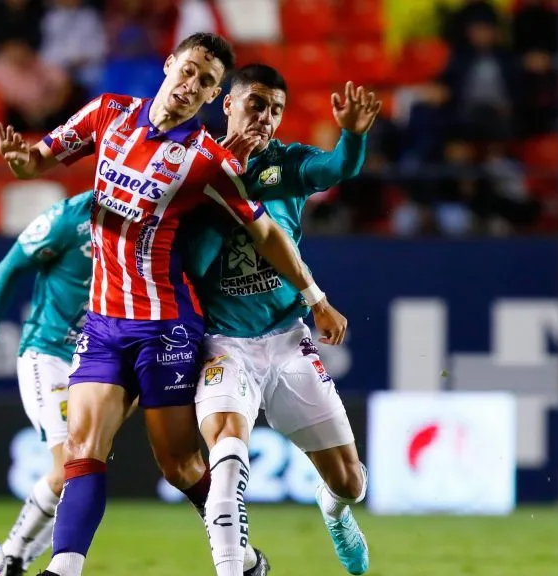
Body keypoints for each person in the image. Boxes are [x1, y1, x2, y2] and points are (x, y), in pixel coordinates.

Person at [0, 32, 347, 576]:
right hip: (104, 322)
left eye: (206, 82)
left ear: (212, 97)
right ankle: (62, 569)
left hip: (166, 328)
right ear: (169, 65)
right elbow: (36, 161)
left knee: (180, 466)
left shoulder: (208, 161)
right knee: (82, 449)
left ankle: (240, 555)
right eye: (189, 71)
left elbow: (267, 235)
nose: (192, 85)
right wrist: (22, 162)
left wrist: (314, 297)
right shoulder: (107, 113)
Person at [188, 65, 380, 576]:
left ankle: (334, 511)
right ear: (228, 103)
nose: (266, 117)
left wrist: (352, 137)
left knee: (350, 484)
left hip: (286, 339)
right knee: (226, 459)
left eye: (276, 109)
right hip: (223, 344)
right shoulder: (194, 164)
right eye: (256, 104)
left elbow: (336, 168)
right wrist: (226, 175)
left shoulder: (285, 164)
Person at [0, 191, 94, 576]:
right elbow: (10, 267)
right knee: (71, 466)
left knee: (84, 471)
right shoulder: (67, 219)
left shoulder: (145, 223)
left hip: (97, 362)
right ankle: (13, 556)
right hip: (48, 355)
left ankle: (16, 559)